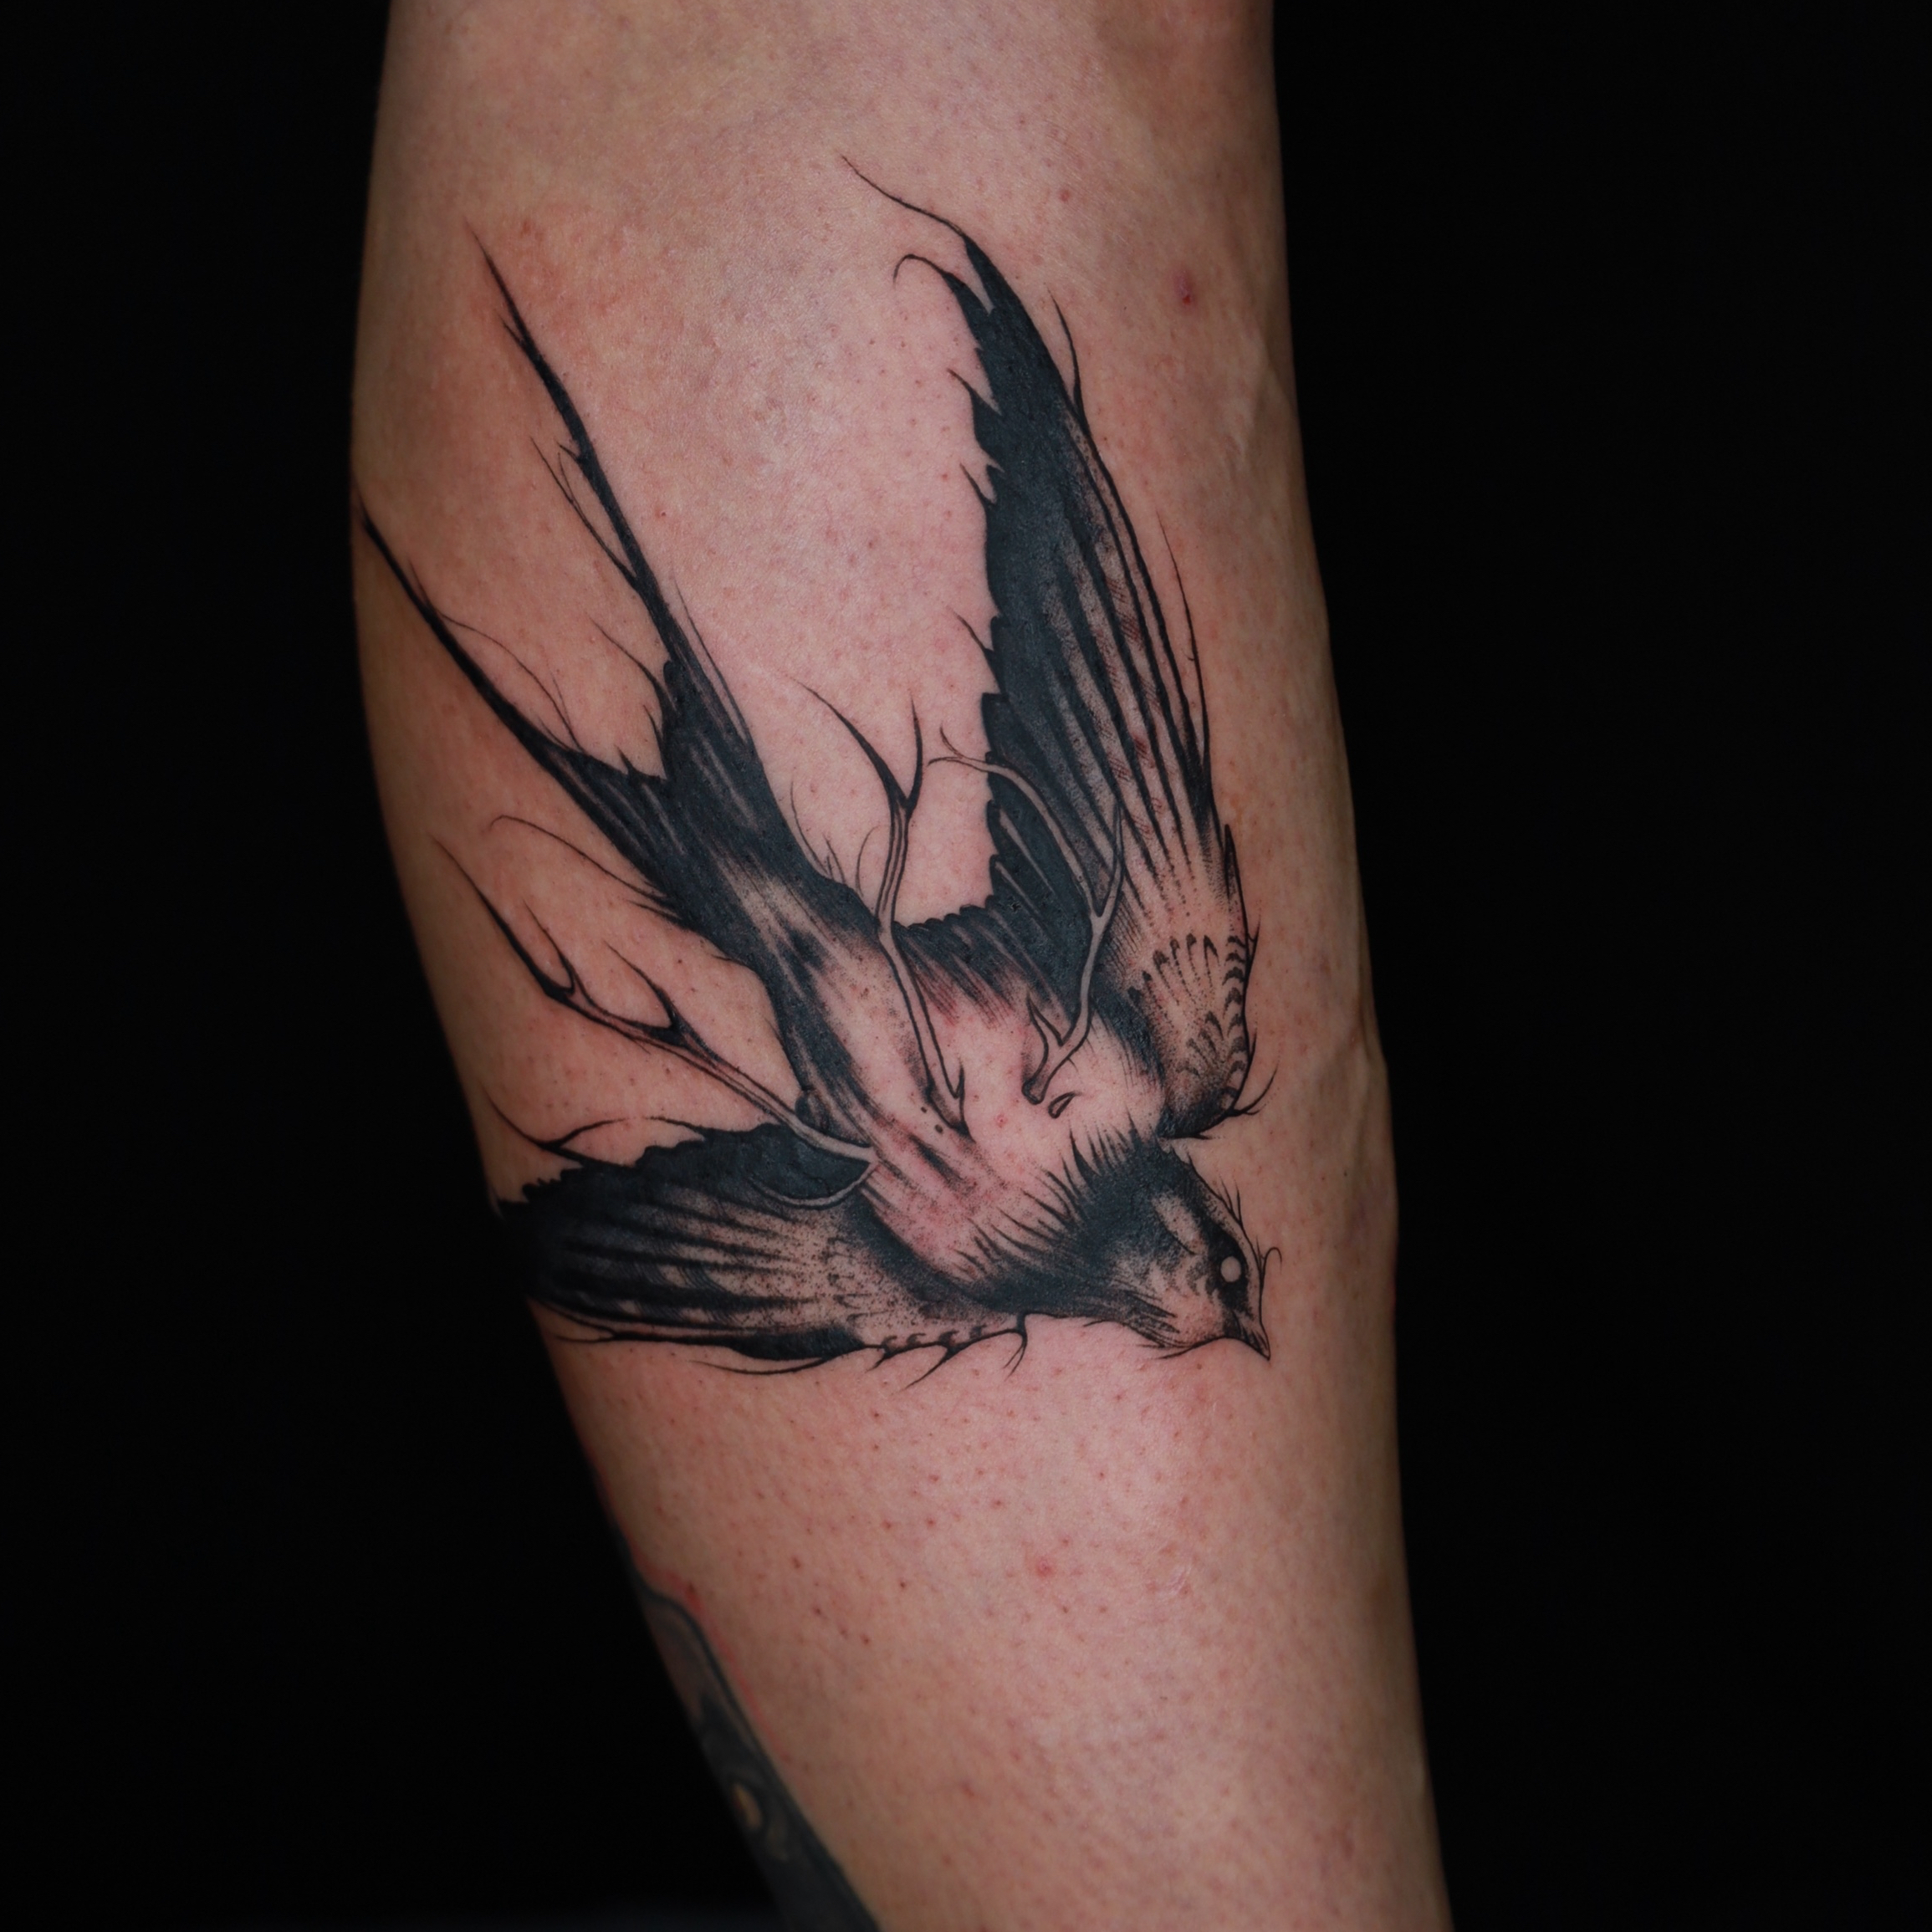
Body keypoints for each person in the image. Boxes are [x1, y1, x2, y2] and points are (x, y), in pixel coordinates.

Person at [352, 4, 1450, 1924]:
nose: (1206, 1295)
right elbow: (765, 55)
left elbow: (761, 1265)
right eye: (1217, 1272)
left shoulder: (950, 1275)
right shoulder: (1167, 1053)